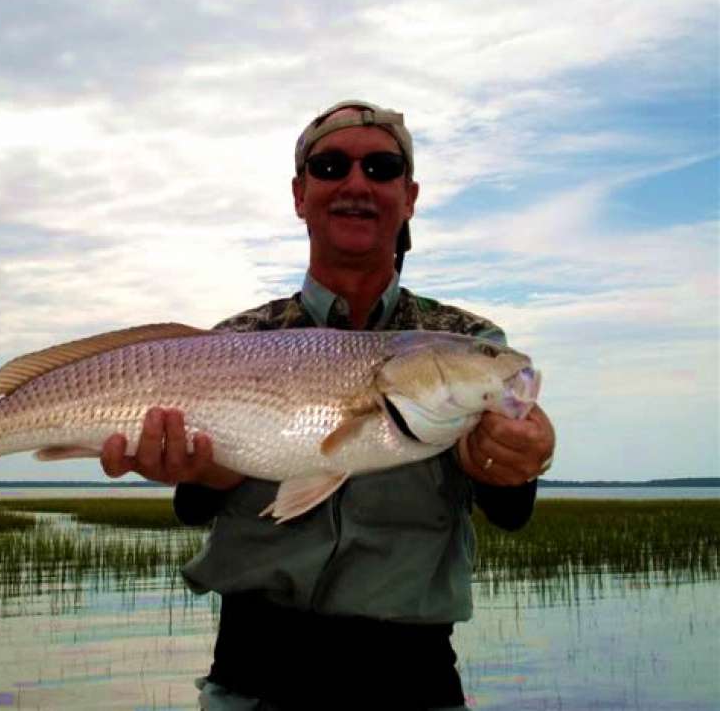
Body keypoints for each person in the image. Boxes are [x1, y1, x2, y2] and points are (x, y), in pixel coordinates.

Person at [100, 100, 556, 710]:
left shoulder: (465, 338)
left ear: (410, 196)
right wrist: (201, 472)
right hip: (252, 678)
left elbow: (511, 510)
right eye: (331, 166)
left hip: (414, 682)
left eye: (382, 167)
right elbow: (194, 506)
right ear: (300, 194)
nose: (356, 184)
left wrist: (517, 459)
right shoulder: (235, 341)